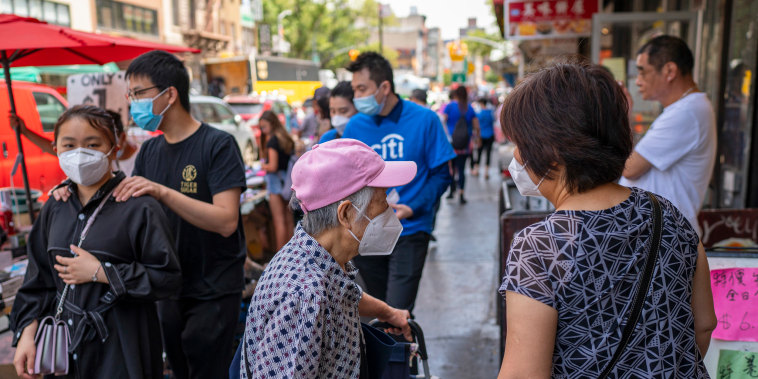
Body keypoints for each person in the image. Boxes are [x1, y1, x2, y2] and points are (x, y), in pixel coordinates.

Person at [497, 60, 716, 378]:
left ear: (552, 151)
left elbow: (523, 373)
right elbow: (704, 326)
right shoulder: (669, 214)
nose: (517, 155)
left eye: (520, 142)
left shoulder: (541, 246)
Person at [50, 51, 247, 379]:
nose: (133, 102)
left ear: (170, 94)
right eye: (130, 95)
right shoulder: (151, 151)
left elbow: (226, 221)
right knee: (180, 368)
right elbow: (123, 200)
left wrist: (162, 191)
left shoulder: (218, 144)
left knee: (208, 368)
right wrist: (71, 188)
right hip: (165, 284)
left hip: (212, 286)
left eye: (139, 93)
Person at [10, 105, 181, 378]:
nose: (79, 153)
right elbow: (37, 281)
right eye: (69, 144)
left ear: (114, 148)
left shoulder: (139, 207)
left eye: (92, 144)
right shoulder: (54, 207)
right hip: (66, 351)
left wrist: (103, 273)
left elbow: (168, 279)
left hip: (124, 350)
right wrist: (27, 333)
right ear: (55, 148)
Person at [241, 138, 414, 378]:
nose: (390, 210)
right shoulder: (303, 297)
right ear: (346, 214)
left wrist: (387, 312)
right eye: (382, 201)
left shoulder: (320, 257)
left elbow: (344, 292)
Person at [342, 52, 455, 312]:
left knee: (398, 308)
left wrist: (413, 206)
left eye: (362, 89)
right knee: (380, 310)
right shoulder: (355, 126)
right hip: (367, 232)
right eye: (354, 90)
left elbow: (441, 176)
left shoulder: (425, 120)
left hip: (411, 228)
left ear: (384, 87)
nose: (357, 97)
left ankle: (404, 350)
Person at [619, 35, 717, 234]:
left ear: (670, 71)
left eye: (643, 72)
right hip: (660, 235)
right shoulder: (684, 109)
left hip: (667, 238)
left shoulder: (687, 112)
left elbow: (629, 168)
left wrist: (621, 117)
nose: (637, 81)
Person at [9, 110, 140, 176]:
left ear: (121, 139)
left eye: (94, 144)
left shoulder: (143, 157)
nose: (87, 152)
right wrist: (25, 132)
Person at [259, 110, 296, 250]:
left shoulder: (272, 141)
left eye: (264, 127)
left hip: (276, 183)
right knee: (288, 220)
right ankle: (292, 254)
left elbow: (273, 166)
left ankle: (281, 259)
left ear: (272, 124)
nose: (262, 131)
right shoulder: (285, 138)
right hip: (287, 182)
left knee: (278, 221)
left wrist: (263, 165)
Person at [442, 86, 479, 204]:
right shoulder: (469, 108)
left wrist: (446, 135)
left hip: (451, 143)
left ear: (455, 94)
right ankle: (461, 194)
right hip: (465, 144)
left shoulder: (450, 106)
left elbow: (442, 120)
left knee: (451, 168)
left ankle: (451, 190)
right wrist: (476, 138)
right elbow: (476, 126)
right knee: (462, 169)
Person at [474, 98, 495, 180]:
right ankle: (486, 172)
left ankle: (477, 170)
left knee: (479, 153)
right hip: (490, 135)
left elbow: (476, 126)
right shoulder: (490, 113)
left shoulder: (479, 114)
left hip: (481, 136)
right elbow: (493, 121)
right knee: (488, 154)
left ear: (481, 103)